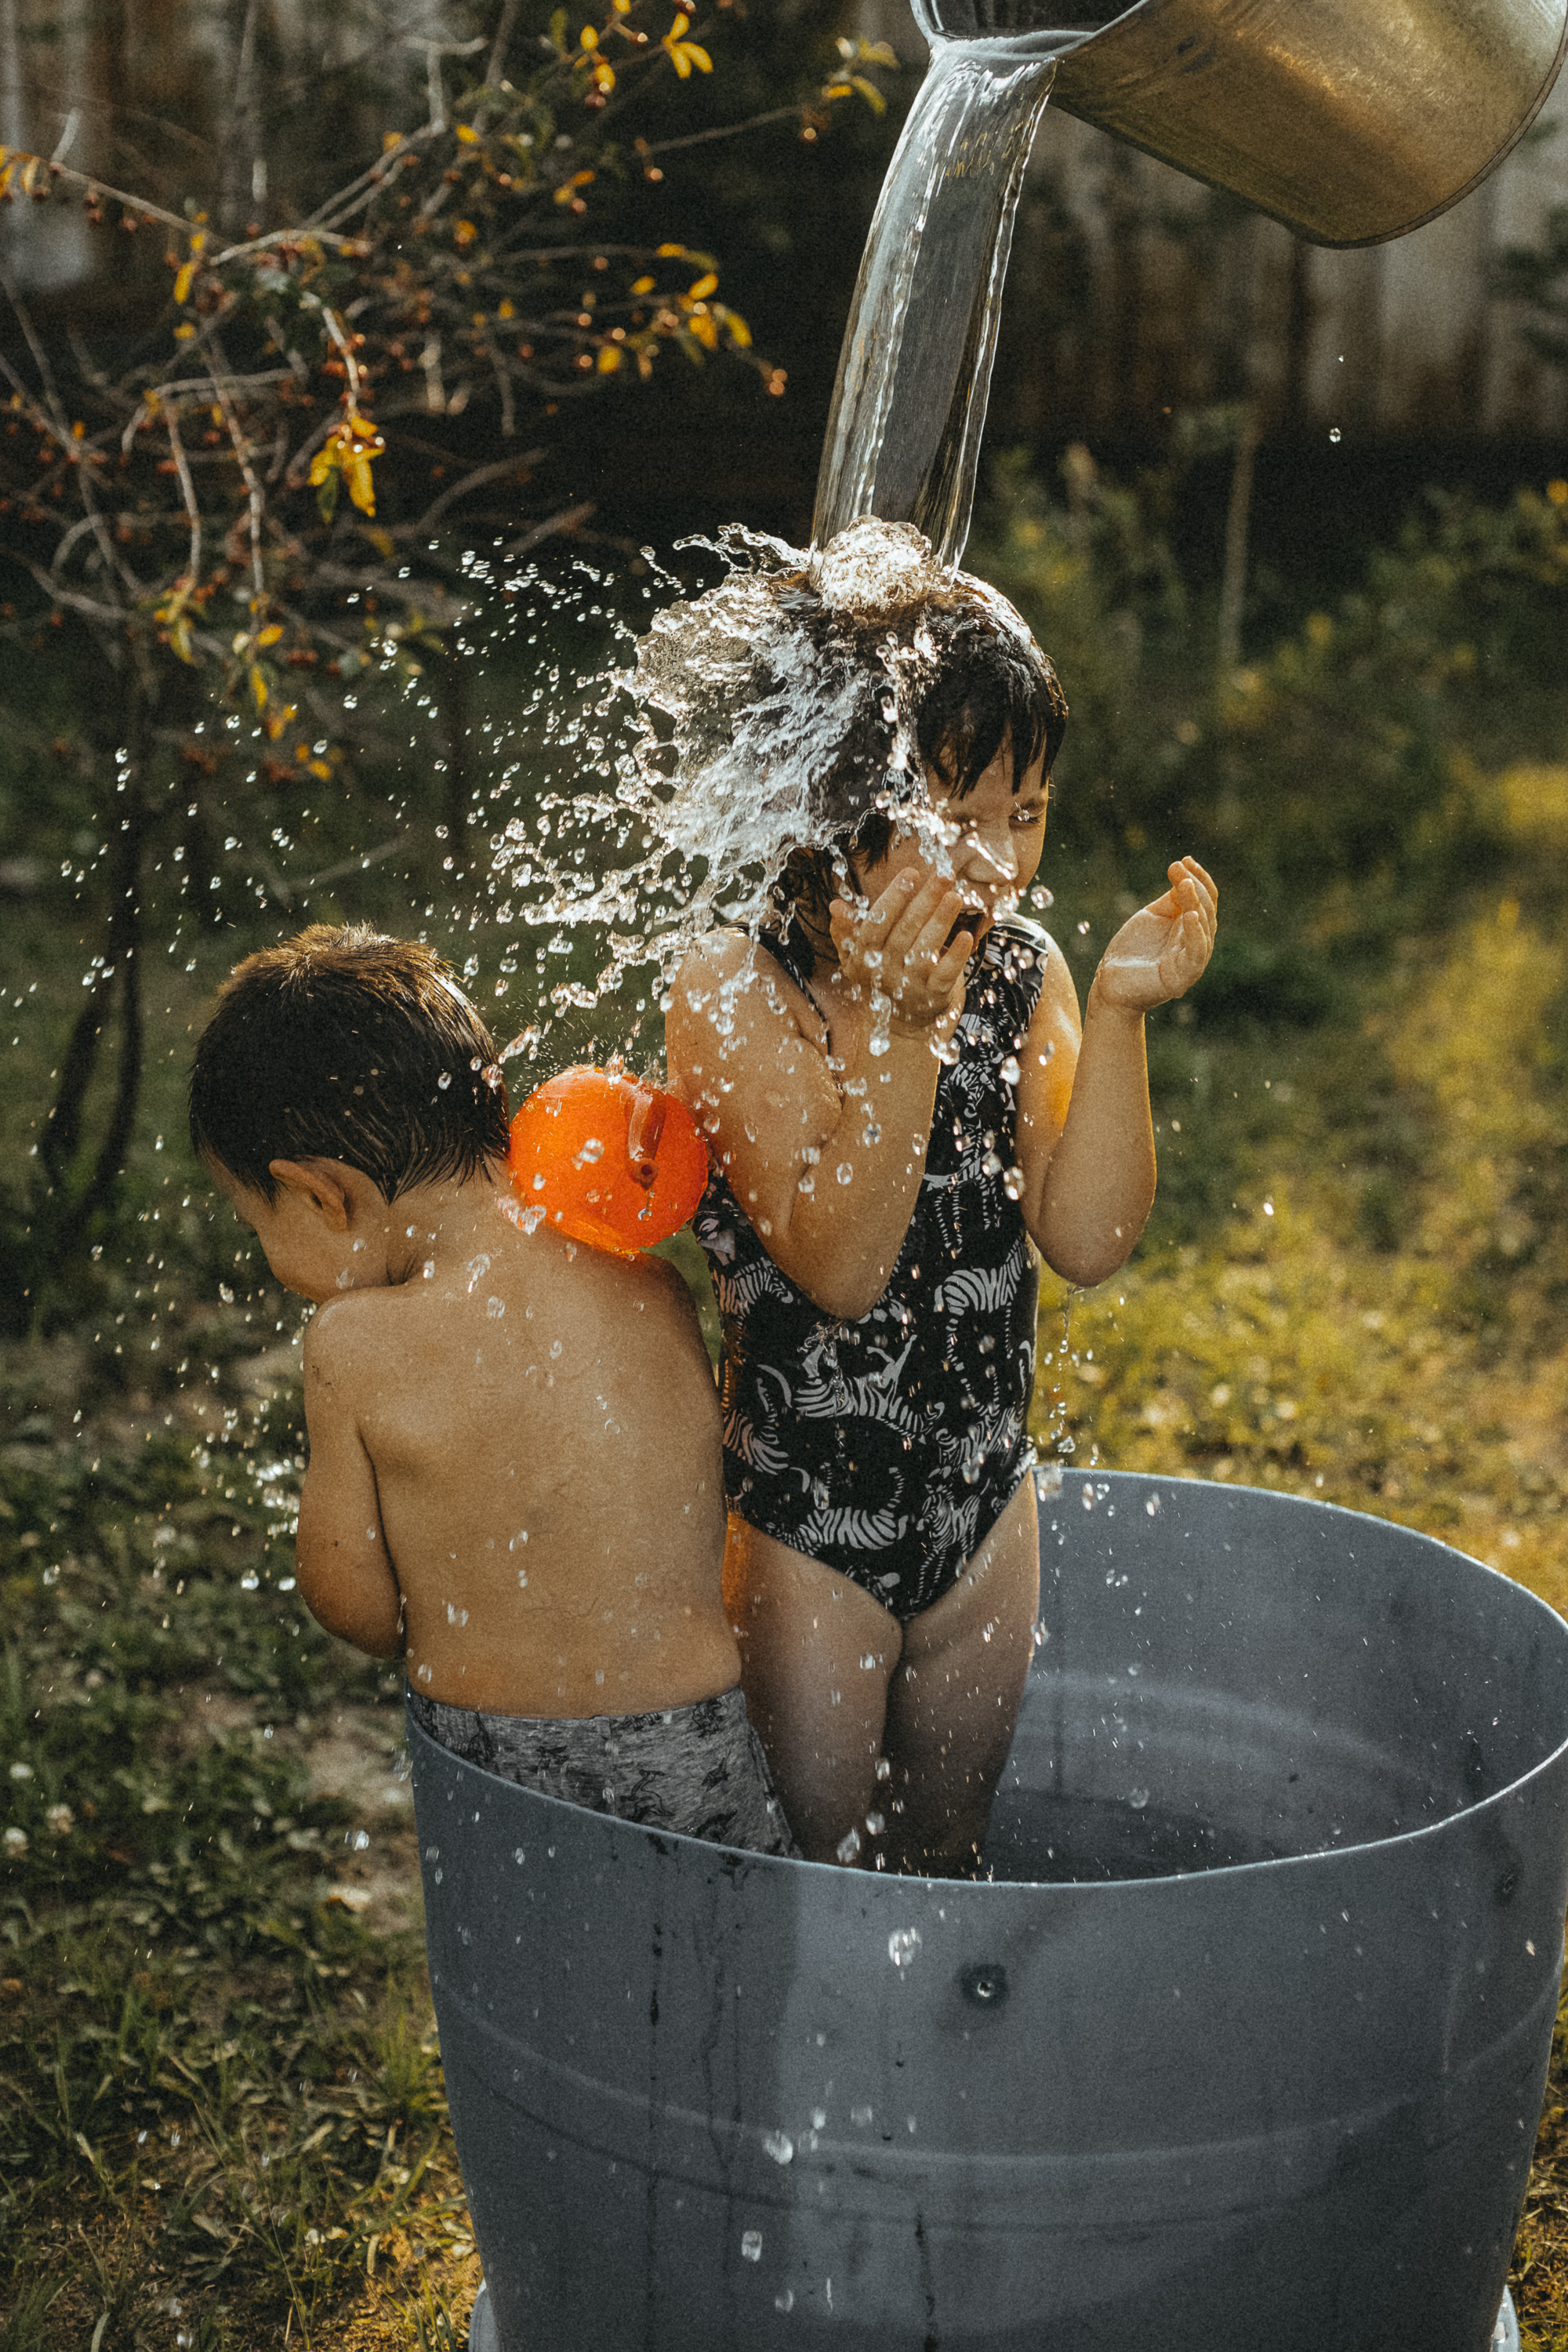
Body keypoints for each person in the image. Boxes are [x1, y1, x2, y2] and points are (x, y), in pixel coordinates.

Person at [666, 546, 1216, 1875]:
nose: (1001, 860)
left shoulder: (1021, 977)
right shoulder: (740, 991)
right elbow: (842, 1268)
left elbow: (1084, 1242)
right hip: (810, 1532)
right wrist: (906, 1035)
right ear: (832, 802)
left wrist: (1124, 1013)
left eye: (1027, 812)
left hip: (982, 1516)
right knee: (815, 1878)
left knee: (945, 1857)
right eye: (959, 814)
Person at [189, 923, 793, 1856]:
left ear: (319, 1194)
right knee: (714, 1968)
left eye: (253, 1223)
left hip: (503, 1757)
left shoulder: (352, 1343)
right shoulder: (647, 1285)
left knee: (524, 1984)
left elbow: (352, 1601)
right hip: (698, 1741)